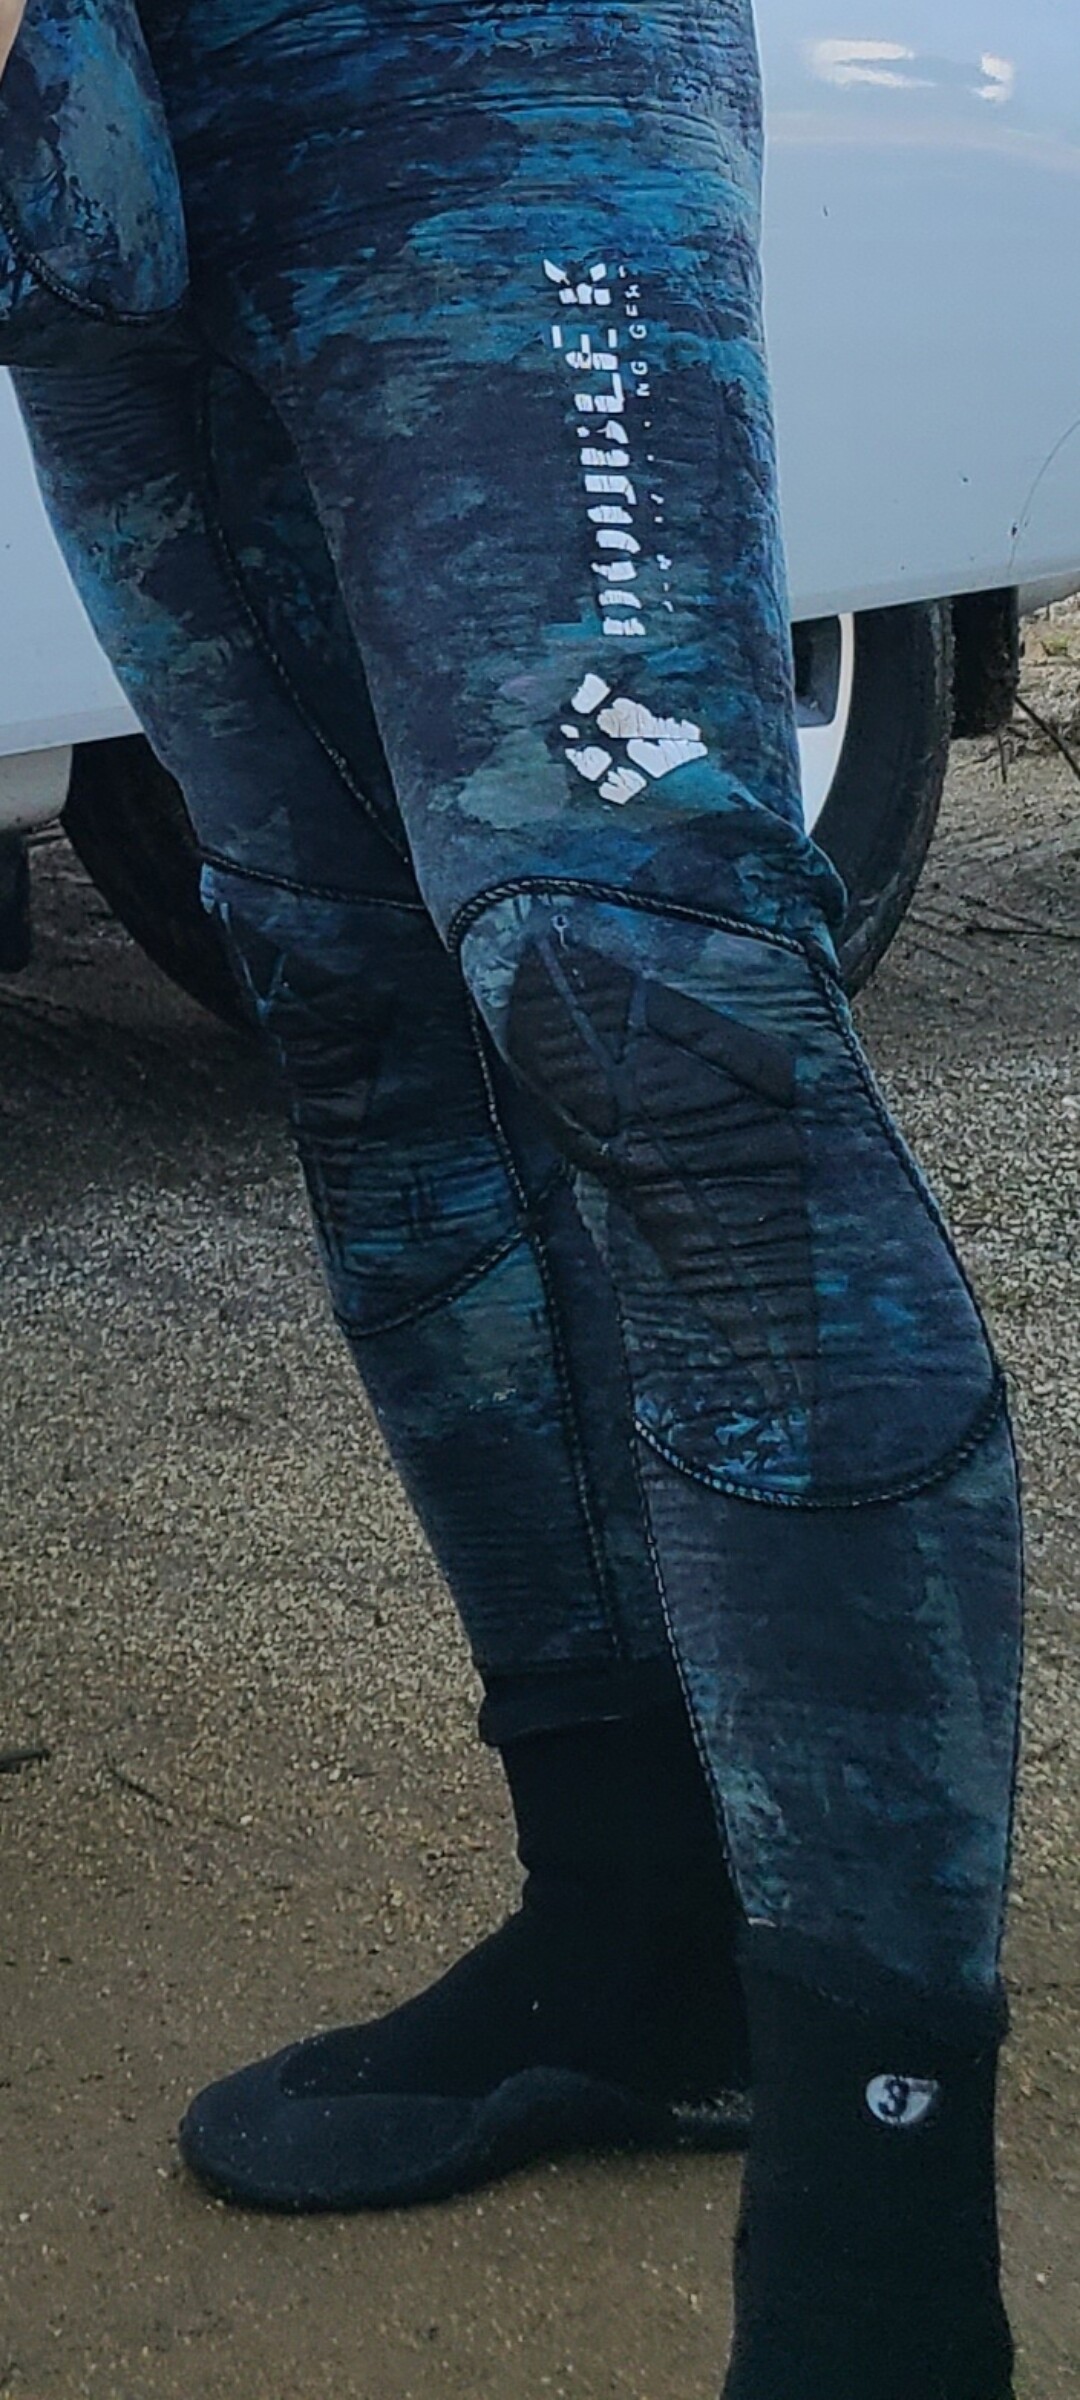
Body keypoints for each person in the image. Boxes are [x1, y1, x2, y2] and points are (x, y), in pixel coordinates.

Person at [1, 1, 1023, 2391]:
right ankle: (635, 1935)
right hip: (82, 124)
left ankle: (880, 2268)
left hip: (463, 62)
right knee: (350, 1011)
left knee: (656, 1026)